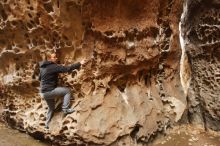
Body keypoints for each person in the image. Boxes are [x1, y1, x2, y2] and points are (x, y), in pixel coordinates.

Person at [39, 51, 84, 129]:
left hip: (43, 93)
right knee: (67, 91)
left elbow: (40, 78)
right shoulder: (53, 66)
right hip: (50, 91)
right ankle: (66, 109)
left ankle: (47, 124)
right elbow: (67, 68)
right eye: (54, 57)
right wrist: (79, 63)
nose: (56, 58)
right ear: (49, 58)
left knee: (51, 108)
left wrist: (53, 77)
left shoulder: (42, 67)